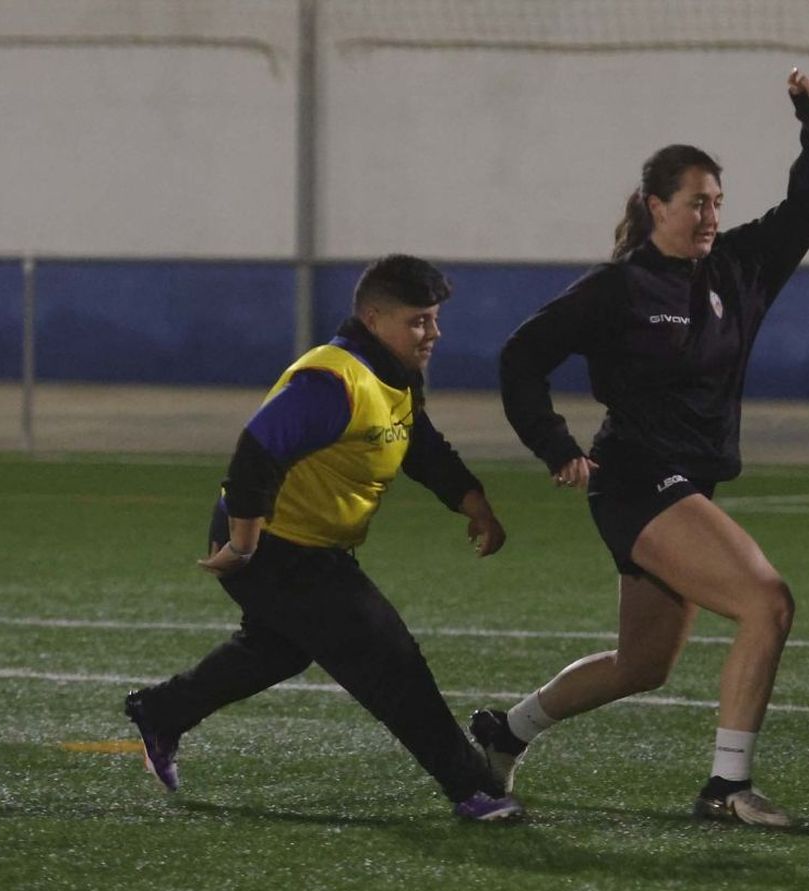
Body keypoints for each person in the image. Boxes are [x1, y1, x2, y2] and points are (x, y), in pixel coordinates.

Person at [479, 68, 809, 828]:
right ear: (655, 206)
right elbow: (520, 357)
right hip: (638, 481)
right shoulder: (619, 289)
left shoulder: (739, 267)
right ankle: (726, 788)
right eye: (696, 202)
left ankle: (503, 733)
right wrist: (553, 444)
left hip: (685, 482)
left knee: (641, 666)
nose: (710, 215)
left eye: (717, 202)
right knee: (767, 603)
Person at [123, 254, 522, 822]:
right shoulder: (332, 380)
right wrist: (242, 545)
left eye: (434, 319)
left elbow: (421, 444)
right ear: (374, 318)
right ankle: (472, 788)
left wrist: (472, 502)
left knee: (277, 648)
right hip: (273, 545)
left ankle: (162, 712)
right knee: (389, 657)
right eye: (418, 321)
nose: (433, 333)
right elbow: (255, 453)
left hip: (304, 545)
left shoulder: (394, 373)